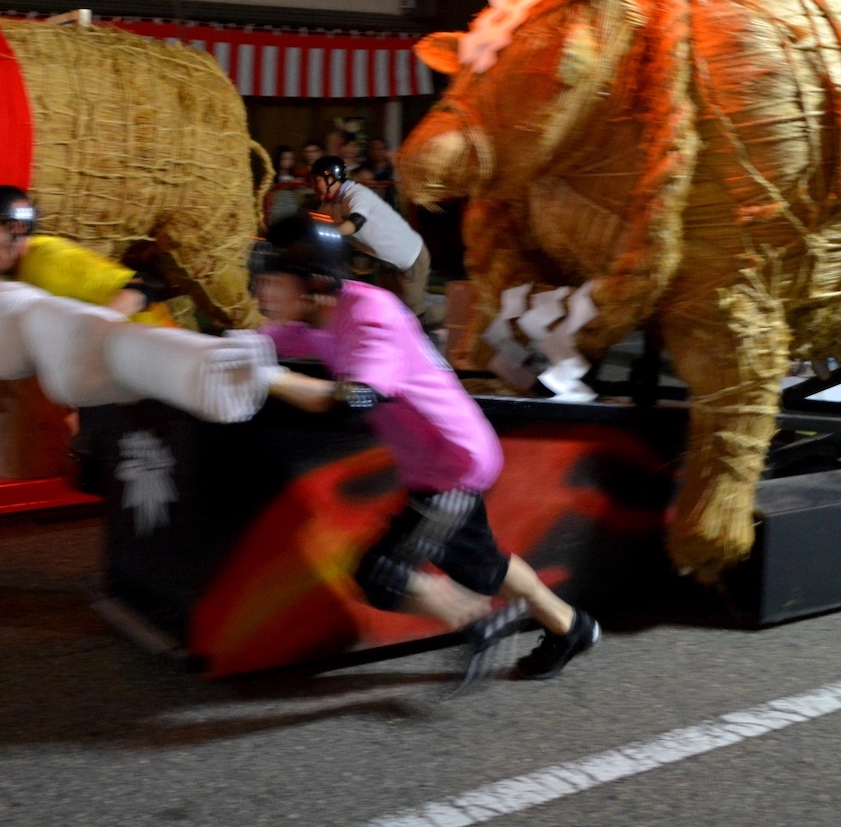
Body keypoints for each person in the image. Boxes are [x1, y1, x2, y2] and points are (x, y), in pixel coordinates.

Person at [252, 213, 600, 684]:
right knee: (484, 565)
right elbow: (266, 342)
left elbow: (355, 400)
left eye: (272, 281)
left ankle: (476, 620)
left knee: (379, 573)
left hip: (451, 462)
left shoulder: (371, 315)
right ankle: (571, 627)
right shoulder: (320, 314)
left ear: (313, 283)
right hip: (436, 460)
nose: (262, 292)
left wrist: (270, 377)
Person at [0, 185, 175, 421]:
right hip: (124, 375)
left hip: (159, 367)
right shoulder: (16, 273)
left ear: (17, 227)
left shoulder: (50, 261)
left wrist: (83, 336)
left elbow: (143, 287)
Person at [308, 156, 434, 320]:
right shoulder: (329, 205)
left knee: (415, 319)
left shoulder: (357, 194)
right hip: (388, 265)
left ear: (330, 178)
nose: (314, 187)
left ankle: (456, 312)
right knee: (386, 314)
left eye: (316, 180)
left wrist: (330, 234)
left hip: (411, 259)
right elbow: (315, 225)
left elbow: (355, 223)